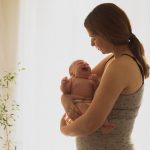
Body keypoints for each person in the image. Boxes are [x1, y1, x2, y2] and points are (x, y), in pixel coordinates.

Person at [60, 3, 149, 150]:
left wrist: (64, 129)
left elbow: (90, 124)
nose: (92, 43)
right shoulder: (113, 60)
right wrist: (65, 99)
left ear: (106, 32)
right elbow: (78, 85)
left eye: (93, 37)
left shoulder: (120, 66)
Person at [60, 59, 114, 132]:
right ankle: (102, 124)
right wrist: (64, 84)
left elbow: (97, 91)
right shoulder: (72, 80)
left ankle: (105, 123)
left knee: (99, 110)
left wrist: (96, 82)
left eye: (87, 64)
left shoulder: (90, 80)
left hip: (90, 102)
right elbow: (66, 91)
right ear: (72, 73)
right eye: (80, 63)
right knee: (85, 108)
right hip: (78, 102)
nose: (85, 64)